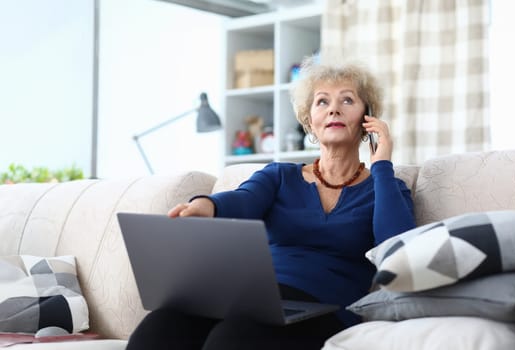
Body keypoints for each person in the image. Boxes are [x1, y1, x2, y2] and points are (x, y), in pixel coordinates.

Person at [125, 56, 416, 350]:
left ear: (368, 120)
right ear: (310, 121)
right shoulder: (280, 176)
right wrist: (206, 205)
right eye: (322, 102)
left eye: (347, 100)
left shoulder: (387, 187)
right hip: (255, 298)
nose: (334, 109)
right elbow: (243, 200)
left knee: (232, 338)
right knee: (162, 325)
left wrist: (381, 166)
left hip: (325, 311)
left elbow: (397, 250)